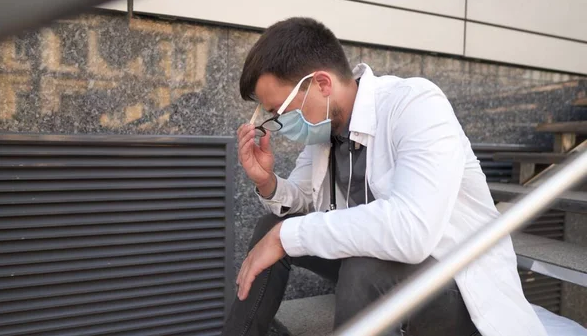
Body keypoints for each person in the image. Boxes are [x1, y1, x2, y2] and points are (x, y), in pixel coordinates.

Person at [223, 17, 547, 336]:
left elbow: (411, 232)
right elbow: (305, 199)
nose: (282, 124)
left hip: (458, 285)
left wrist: (287, 236)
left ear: (321, 84)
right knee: (273, 227)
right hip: (376, 271)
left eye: (283, 111)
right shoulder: (326, 130)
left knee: (361, 265)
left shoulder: (414, 104)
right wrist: (267, 182)